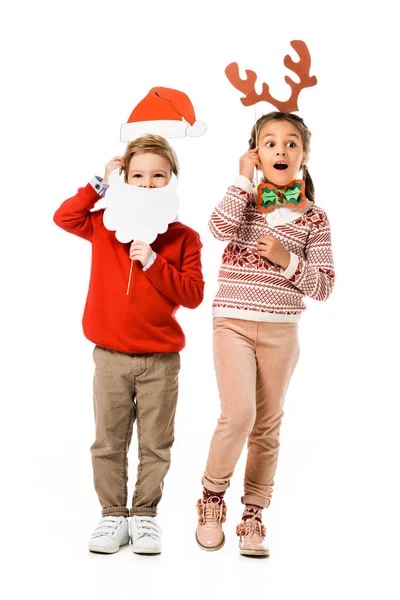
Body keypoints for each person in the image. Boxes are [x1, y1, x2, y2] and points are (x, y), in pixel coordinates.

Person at [54, 134, 204, 555]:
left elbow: (192, 294)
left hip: (161, 361)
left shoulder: (183, 238)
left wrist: (155, 263)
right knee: (108, 440)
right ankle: (111, 515)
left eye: (158, 176)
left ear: (172, 180)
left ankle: (144, 516)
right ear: (124, 178)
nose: (147, 183)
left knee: (156, 443)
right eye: (136, 175)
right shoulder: (104, 224)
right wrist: (100, 184)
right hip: (110, 358)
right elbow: (65, 218)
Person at [195, 112, 335, 557]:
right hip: (232, 322)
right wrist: (241, 179)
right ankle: (211, 500)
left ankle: (253, 514)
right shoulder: (244, 202)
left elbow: (325, 285)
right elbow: (216, 230)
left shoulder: (315, 218)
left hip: (281, 331)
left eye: (290, 144)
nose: (280, 150)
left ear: (304, 157)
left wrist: (285, 259)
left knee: (268, 424)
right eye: (269, 143)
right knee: (238, 415)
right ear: (257, 153)